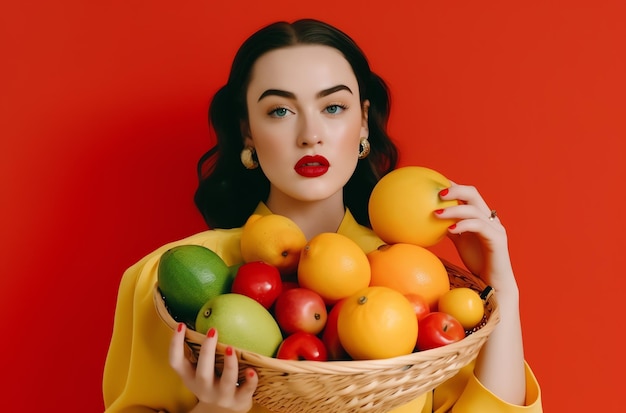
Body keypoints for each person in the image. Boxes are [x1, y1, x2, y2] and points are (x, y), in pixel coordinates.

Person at [102, 19, 542, 413]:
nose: (310, 135)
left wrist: (501, 287)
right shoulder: (167, 281)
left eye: (333, 107)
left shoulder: (418, 279)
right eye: (280, 110)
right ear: (247, 131)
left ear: (364, 122)